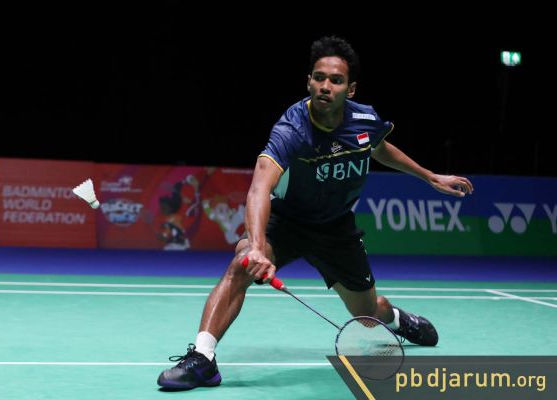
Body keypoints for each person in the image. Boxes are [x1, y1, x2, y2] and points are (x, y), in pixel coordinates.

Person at [157, 35, 474, 390]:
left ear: (350, 90)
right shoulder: (292, 128)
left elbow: (379, 148)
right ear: (308, 81)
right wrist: (257, 247)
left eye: (336, 80)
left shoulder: (364, 119)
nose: (325, 86)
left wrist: (429, 176)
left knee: (366, 314)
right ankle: (203, 359)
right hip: (287, 221)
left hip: (337, 229)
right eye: (319, 78)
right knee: (241, 265)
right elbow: (260, 187)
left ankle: (397, 319)